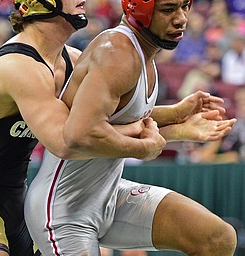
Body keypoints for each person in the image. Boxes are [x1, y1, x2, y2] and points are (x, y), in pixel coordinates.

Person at [0, 0, 162, 255]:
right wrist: (143, 147)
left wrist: (180, 118)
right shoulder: (17, 66)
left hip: (22, 202)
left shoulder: (72, 60)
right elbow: (68, 142)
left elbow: (113, 120)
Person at [24, 0, 238, 255]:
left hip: (108, 194)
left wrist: (176, 117)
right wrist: (143, 150)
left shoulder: (141, 51)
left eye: (185, 6)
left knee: (217, 238)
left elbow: (120, 119)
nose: (181, 19)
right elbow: (78, 136)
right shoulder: (117, 52)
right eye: (169, 10)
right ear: (139, 9)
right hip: (63, 211)